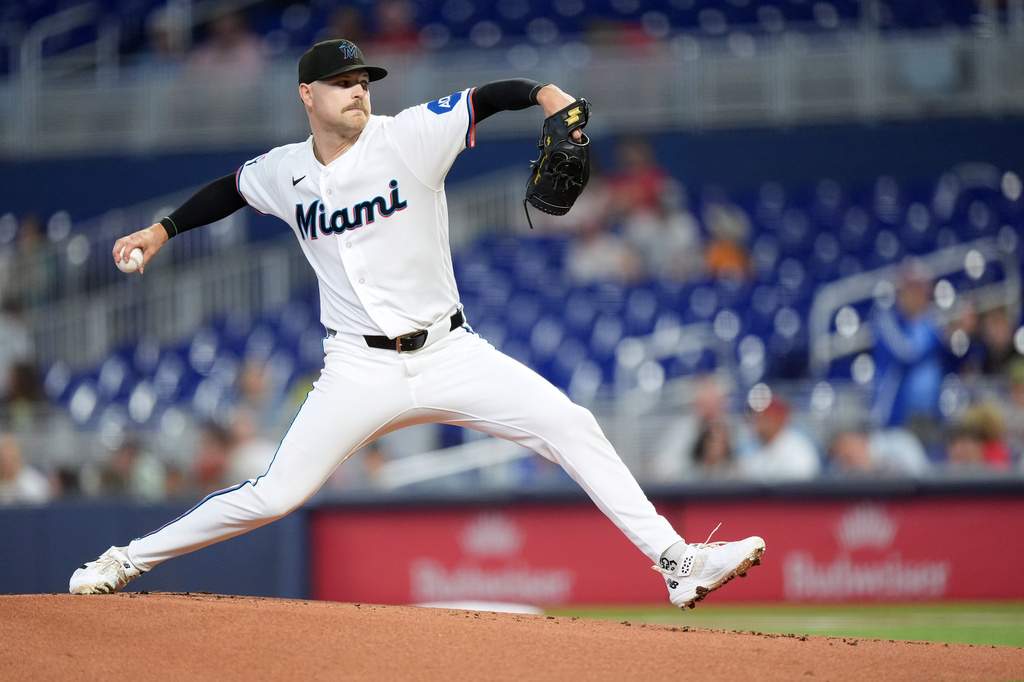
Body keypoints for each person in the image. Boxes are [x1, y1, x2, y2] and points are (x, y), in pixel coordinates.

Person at [69, 39, 765, 609]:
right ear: (307, 96)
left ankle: (675, 560)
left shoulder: (409, 136)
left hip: (451, 352)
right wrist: (163, 230)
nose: (357, 90)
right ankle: (125, 560)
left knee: (570, 424)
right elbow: (231, 189)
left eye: (363, 80)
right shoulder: (284, 171)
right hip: (358, 368)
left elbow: (491, 97)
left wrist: (550, 97)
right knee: (273, 495)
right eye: (341, 82)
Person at [739, 392, 821, 482]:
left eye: (763, 416)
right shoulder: (755, 446)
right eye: (755, 415)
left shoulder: (798, 448)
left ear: (779, 418)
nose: (756, 420)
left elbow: (804, 485)